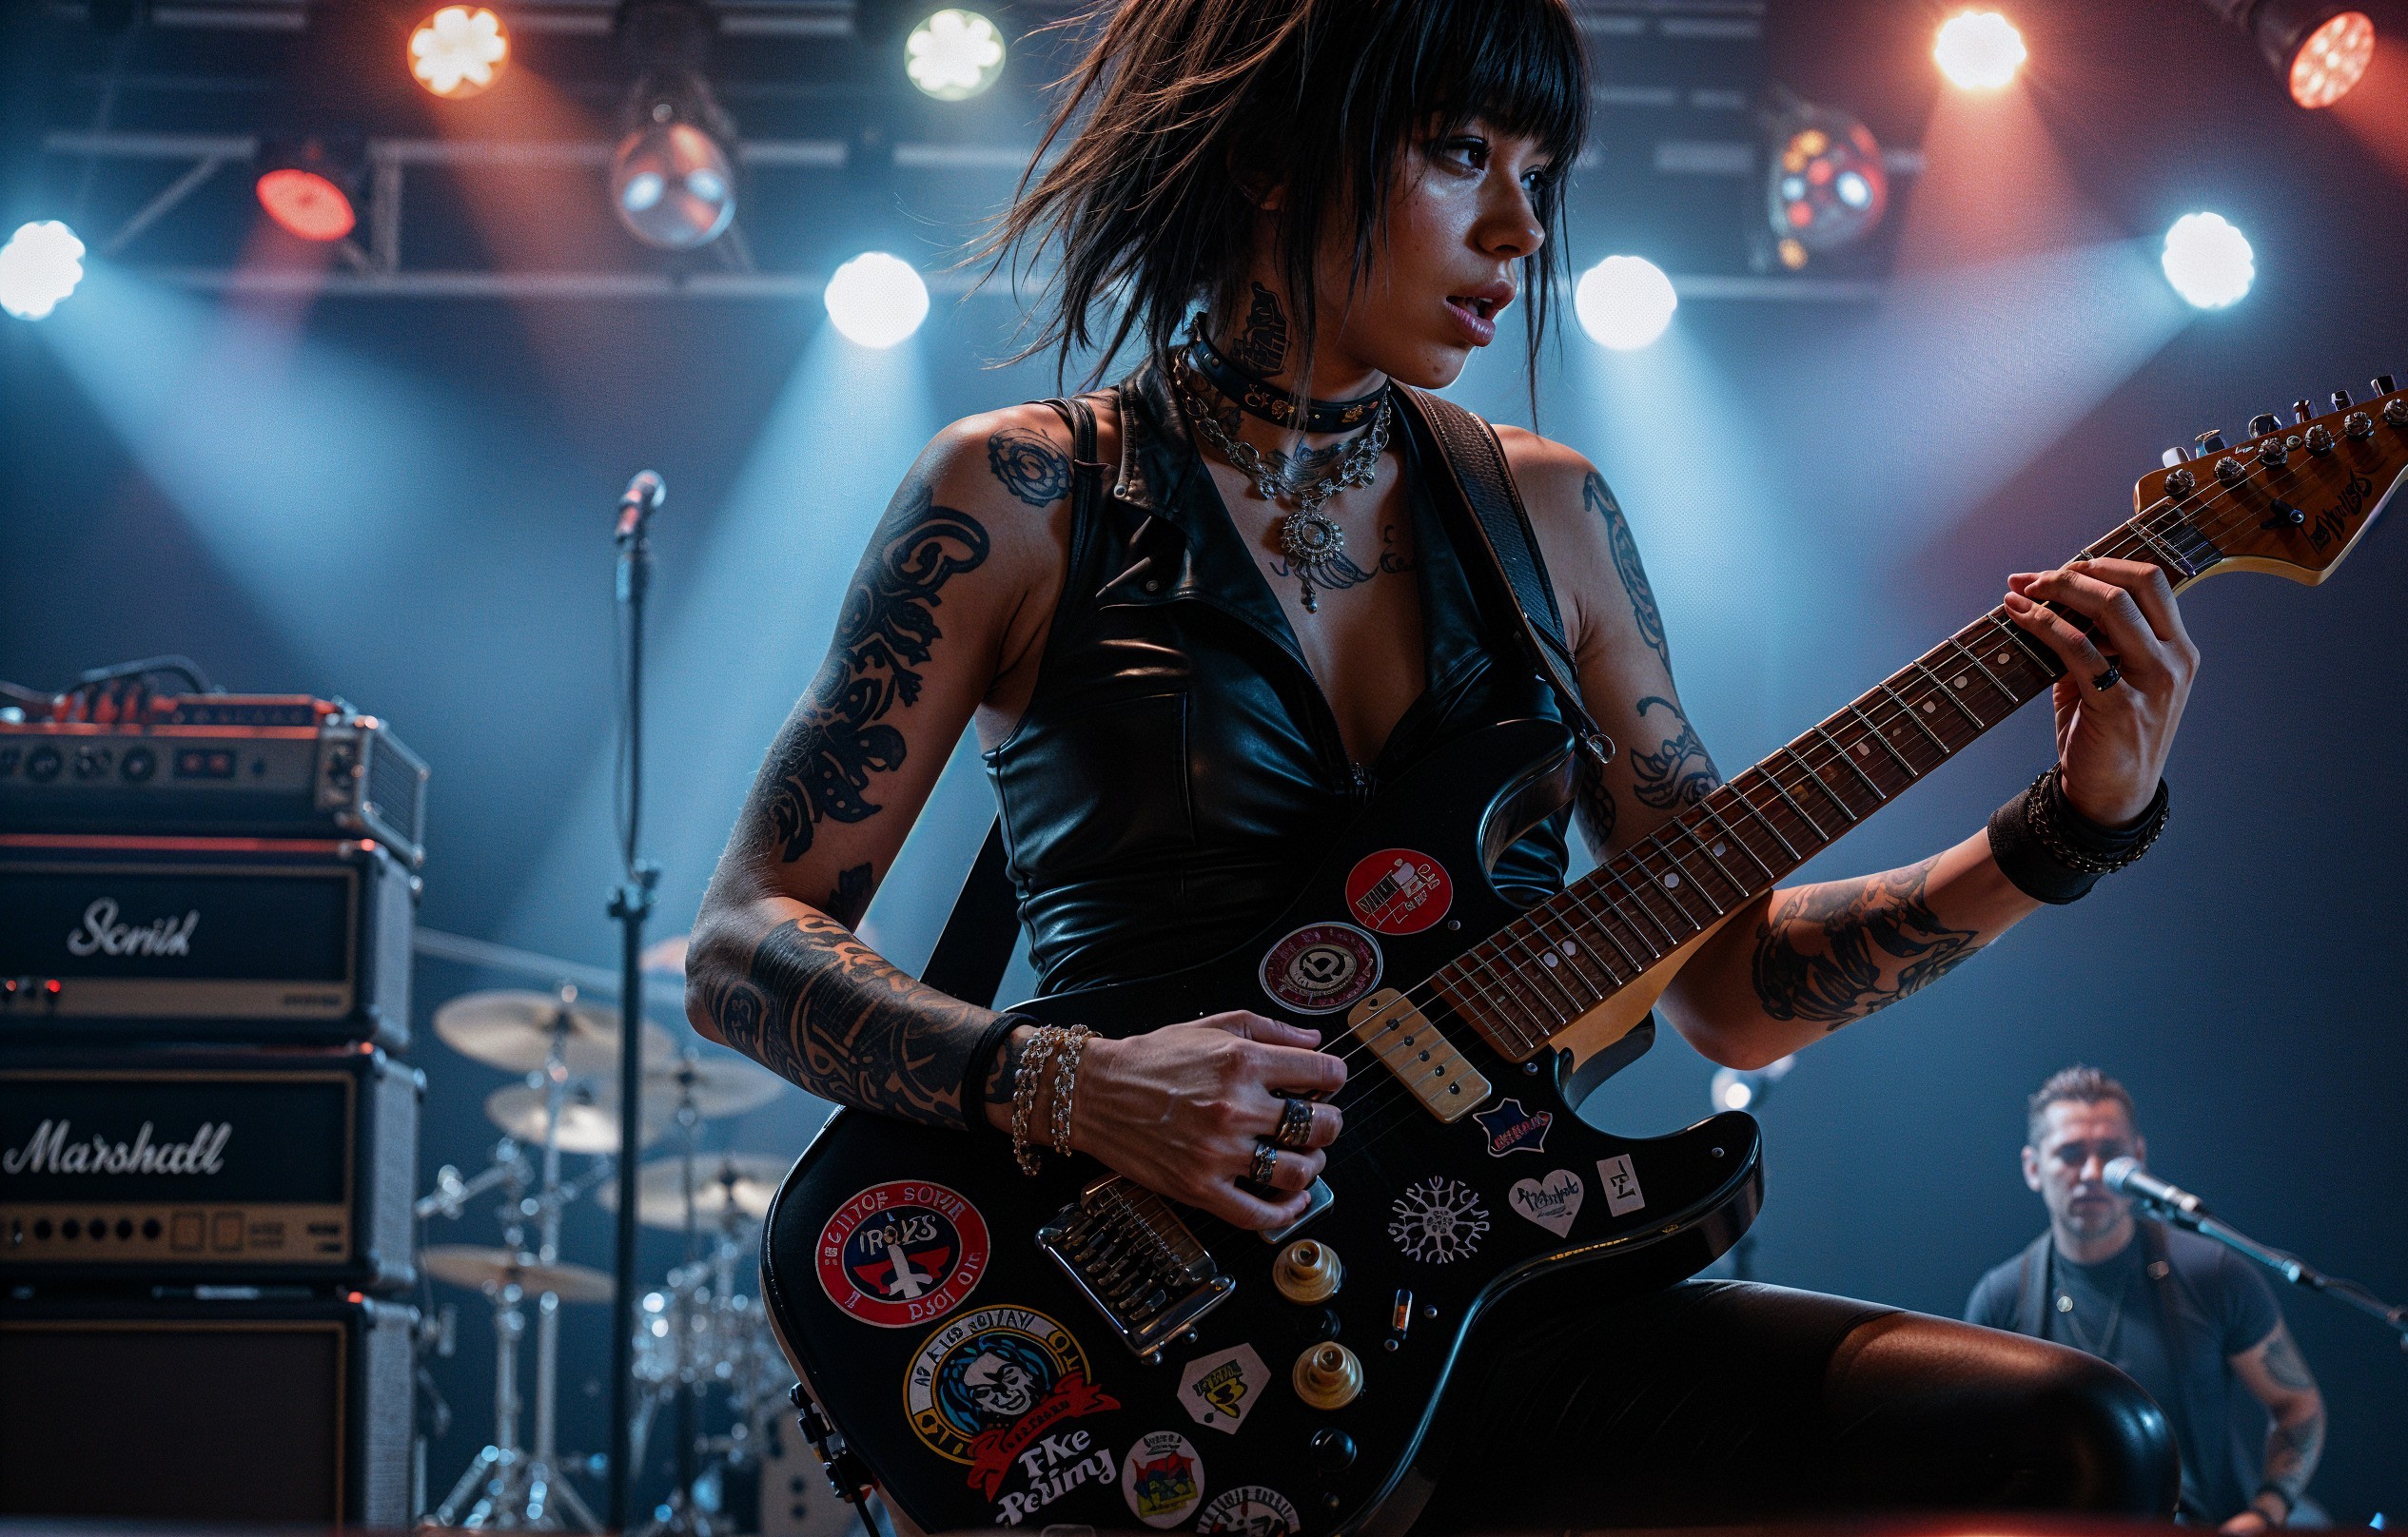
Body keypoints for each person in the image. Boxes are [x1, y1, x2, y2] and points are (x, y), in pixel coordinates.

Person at [686, 0, 2201, 1523]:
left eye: (1540, 173)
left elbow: (1729, 988)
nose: (1518, 226)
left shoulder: (1552, 521)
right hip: (1138, 1329)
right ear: (1280, 152)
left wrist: (2067, 828)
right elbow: (746, 942)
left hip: (1510, 1295)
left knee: (2075, 1446)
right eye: (1462, 153)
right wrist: (1073, 1084)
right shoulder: (1021, 493)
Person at [1966, 1067, 2328, 1529]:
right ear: (2033, 1168)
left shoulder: (2213, 1274)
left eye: (2111, 1153)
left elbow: (2298, 1405)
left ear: (2138, 1157)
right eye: (2071, 1154)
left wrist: (2267, 1511)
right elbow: (1981, 1454)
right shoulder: (2000, 1299)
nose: (2093, 1173)